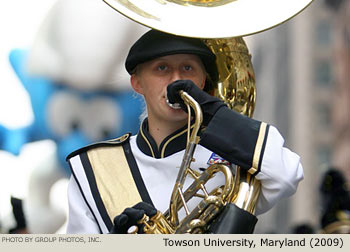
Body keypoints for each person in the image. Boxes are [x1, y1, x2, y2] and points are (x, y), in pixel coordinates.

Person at [66, 29, 304, 234]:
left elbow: (287, 173)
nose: (176, 80)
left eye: (188, 69)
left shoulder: (233, 159)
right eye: (162, 68)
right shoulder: (90, 167)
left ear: (201, 82)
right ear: (137, 83)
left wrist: (214, 112)